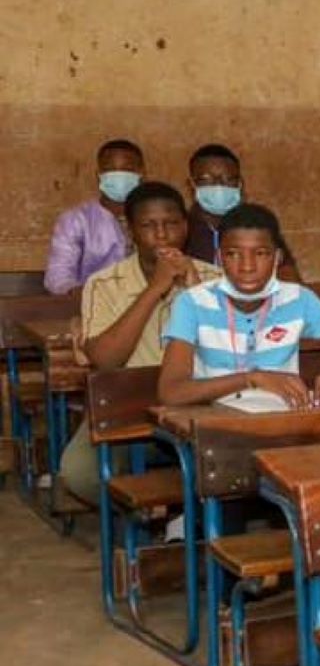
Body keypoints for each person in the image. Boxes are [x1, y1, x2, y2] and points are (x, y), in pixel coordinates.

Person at [58, 182, 220, 505]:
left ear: (186, 227)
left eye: (172, 224)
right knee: (79, 473)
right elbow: (105, 360)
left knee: (228, 464)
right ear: (131, 232)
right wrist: (154, 290)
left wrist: (194, 293)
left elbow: (223, 353)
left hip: (198, 405)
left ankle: (185, 521)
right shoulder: (103, 284)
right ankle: (148, 520)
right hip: (127, 408)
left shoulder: (213, 277)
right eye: (148, 226)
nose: (162, 235)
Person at [157, 203, 320, 407]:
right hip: (215, 423)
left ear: (277, 258)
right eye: (233, 254)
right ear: (220, 258)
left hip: (282, 419)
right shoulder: (192, 302)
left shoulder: (301, 300)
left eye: (261, 254)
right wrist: (252, 379)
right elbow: (171, 392)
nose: (247, 267)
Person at [183, 143, 300, 278]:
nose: (219, 186)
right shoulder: (181, 227)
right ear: (191, 184)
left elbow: (289, 276)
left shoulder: (257, 224)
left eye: (228, 179)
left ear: (240, 184)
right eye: (207, 180)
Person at [44, 138, 145, 294]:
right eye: (110, 169)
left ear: (141, 173)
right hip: (90, 306)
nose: (118, 176)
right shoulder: (76, 219)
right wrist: (80, 292)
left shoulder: (155, 217)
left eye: (127, 169)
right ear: (99, 174)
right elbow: (57, 275)